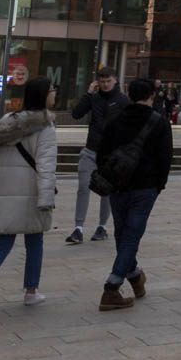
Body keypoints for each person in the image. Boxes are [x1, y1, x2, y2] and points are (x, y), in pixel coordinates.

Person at [0, 77, 57, 314]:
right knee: (35, 240)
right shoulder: (45, 126)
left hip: (5, 193)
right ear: (43, 95)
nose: (54, 94)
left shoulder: (8, 122)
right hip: (30, 194)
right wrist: (47, 199)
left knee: (3, 243)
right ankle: (30, 291)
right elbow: (46, 166)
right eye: (52, 90)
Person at [95, 78, 175, 310]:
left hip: (118, 186)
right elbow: (165, 158)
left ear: (129, 95)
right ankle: (112, 286)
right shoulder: (159, 122)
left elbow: (102, 154)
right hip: (145, 186)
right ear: (151, 95)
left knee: (123, 234)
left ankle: (135, 275)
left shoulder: (115, 120)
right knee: (131, 236)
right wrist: (159, 185)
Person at [66, 67, 129, 245]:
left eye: (108, 81)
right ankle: (78, 228)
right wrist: (88, 93)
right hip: (90, 150)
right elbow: (76, 114)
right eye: (102, 81)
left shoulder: (123, 101)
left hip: (111, 154)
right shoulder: (94, 98)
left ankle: (102, 226)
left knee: (106, 191)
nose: (105, 84)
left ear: (115, 80)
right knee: (83, 188)